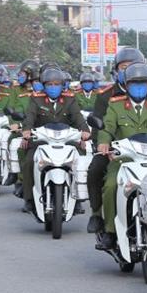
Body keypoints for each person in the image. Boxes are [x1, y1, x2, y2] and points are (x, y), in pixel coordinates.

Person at [94, 62, 147, 250]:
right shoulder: (116, 105)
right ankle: (110, 232)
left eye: (143, 83)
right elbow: (108, 127)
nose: (139, 87)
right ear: (126, 85)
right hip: (123, 160)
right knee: (111, 185)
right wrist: (104, 143)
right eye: (134, 83)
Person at [87, 47, 147, 233]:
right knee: (96, 170)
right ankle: (97, 214)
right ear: (115, 70)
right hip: (115, 151)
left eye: (133, 66)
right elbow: (101, 127)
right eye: (123, 67)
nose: (128, 70)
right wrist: (104, 146)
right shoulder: (106, 96)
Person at [20, 68, 90, 212]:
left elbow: (78, 118)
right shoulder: (36, 98)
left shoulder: (70, 99)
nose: (53, 87)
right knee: (28, 162)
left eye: (56, 84)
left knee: (80, 159)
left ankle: (77, 199)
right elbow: (30, 117)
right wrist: (26, 131)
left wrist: (85, 131)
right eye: (50, 84)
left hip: (66, 140)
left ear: (62, 85)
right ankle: (29, 199)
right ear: (44, 86)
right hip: (42, 140)